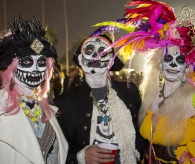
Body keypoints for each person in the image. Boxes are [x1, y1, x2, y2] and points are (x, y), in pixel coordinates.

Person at [99, 0, 195, 163]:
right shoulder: (150, 95)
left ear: (187, 67)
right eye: (168, 58)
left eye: (179, 60)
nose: (173, 64)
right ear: (159, 64)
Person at [0, 15, 68, 164]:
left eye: (42, 62)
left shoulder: (47, 109)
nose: (36, 69)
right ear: (10, 68)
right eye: (26, 62)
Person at [54, 33, 146, 163]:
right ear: (80, 59)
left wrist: (135, 151)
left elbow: (143, 129)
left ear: (111, 61)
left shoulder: (130, 91)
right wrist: (80, 157)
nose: (95, 56)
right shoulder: (64, 103)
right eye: (89, 50)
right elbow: (56, 151)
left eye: (103, 52)